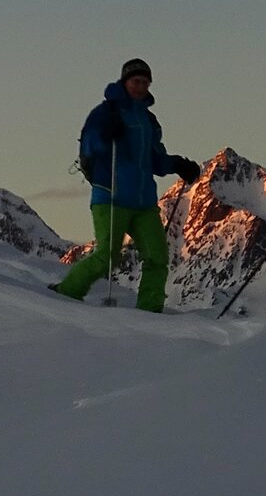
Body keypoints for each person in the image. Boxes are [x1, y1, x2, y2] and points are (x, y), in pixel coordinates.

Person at [49, 59, 203, 313]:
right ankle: (67, 292)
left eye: (145, 82)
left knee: (157, 257)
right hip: (110, 195)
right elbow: (89, 148)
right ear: (125, 82)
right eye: (136, 82)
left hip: (143, 201)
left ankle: (150, 311)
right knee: (107, 256)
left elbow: (155, 159)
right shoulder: (105, 114)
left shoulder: (148, 121)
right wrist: (106, 136)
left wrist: (178, 164)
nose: (141, 87)